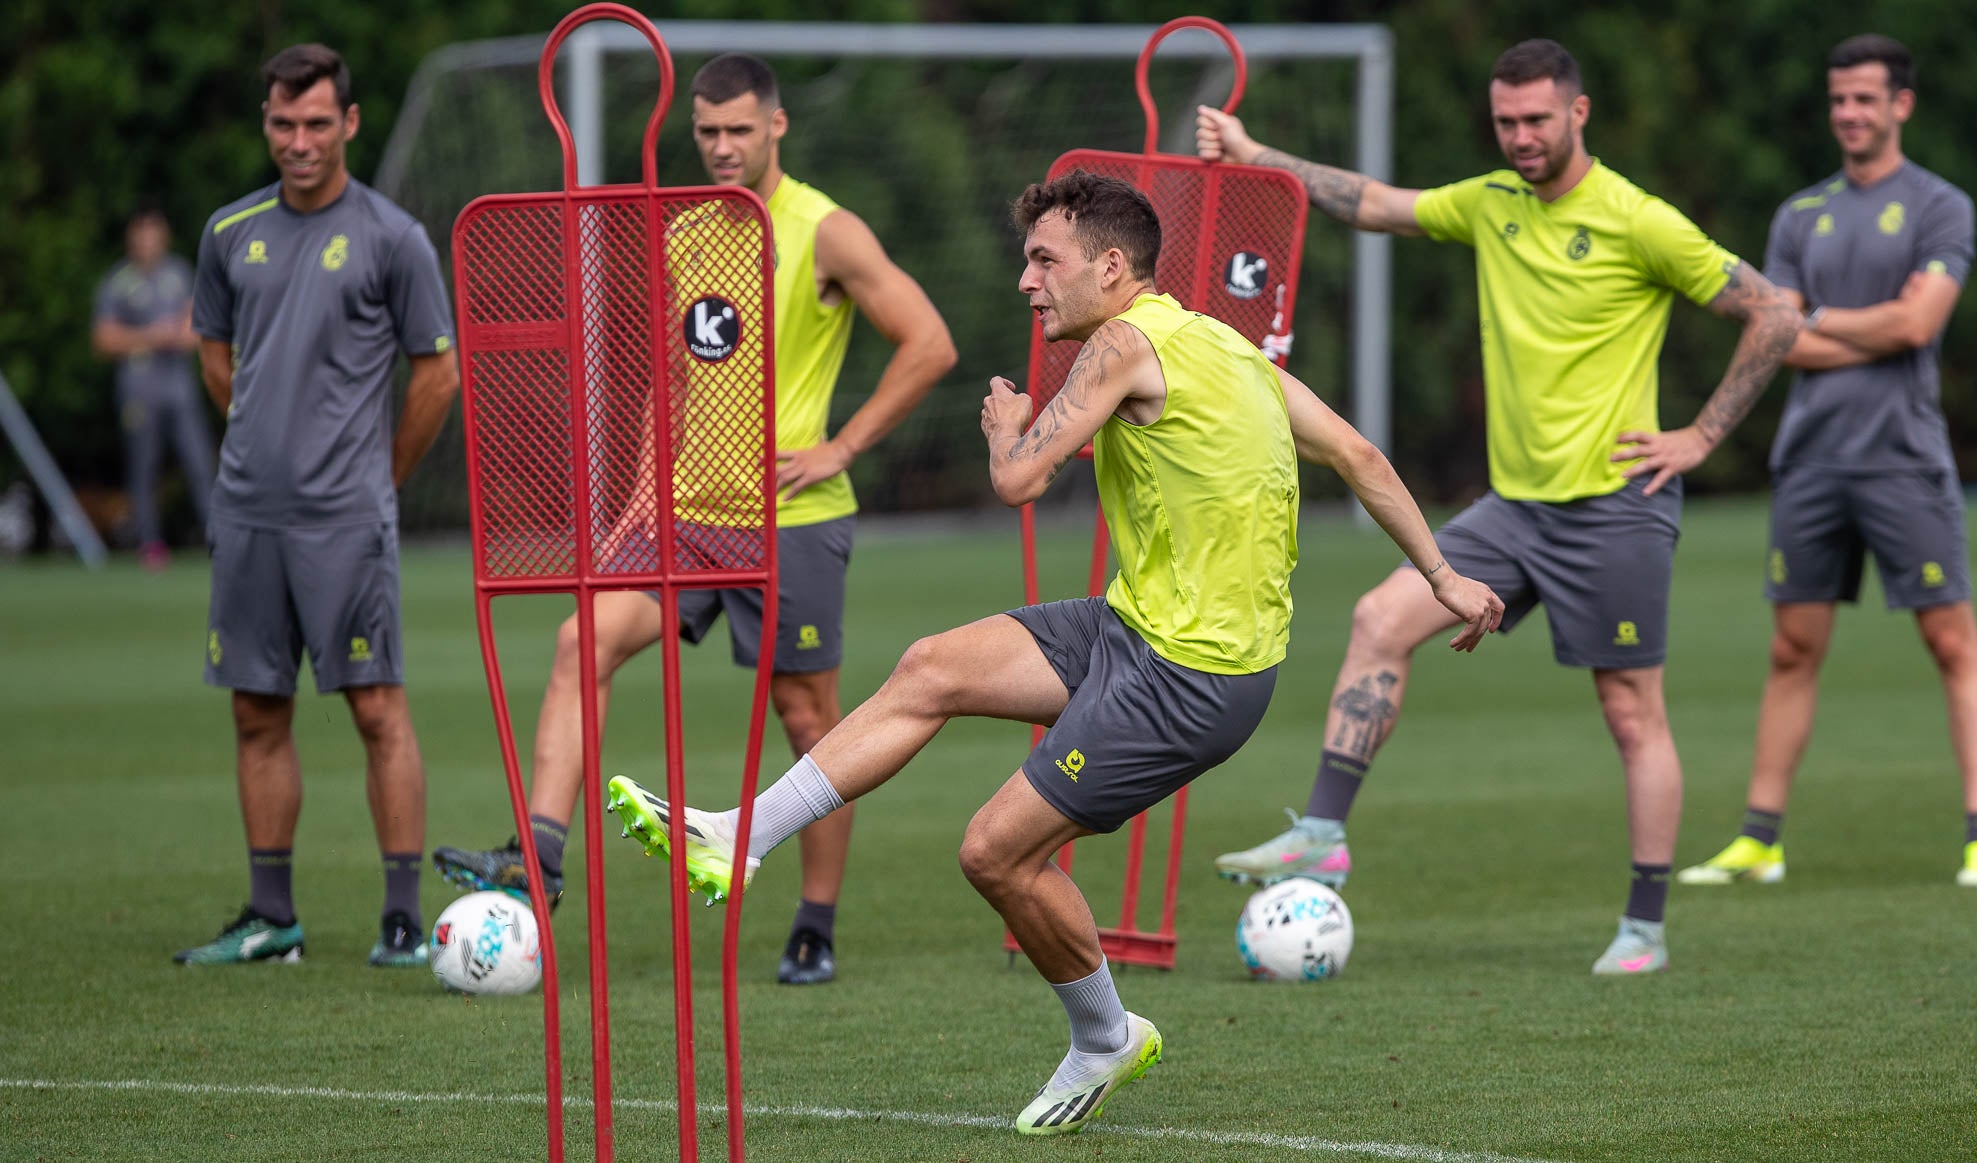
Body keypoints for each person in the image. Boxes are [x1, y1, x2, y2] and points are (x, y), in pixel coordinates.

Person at [606, 171, 1504, 1134]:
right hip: (1136, 629)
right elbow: (1361, 455)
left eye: (1046, 260)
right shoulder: (1224, 345)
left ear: (1111, 268)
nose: (1027, 282)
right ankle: (744, 836)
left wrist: (1004, 429)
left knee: (996, 853)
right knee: (930, 667)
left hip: (1192, 676)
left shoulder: (1121, 342)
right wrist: (1445, 575)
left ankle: (1107, 1036)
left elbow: (1019, 480)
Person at [1200, 38, 1802, 974]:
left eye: (1536, 120)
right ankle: (1322, 831)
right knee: (1378, 619)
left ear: (1579, 113)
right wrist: (1254, 157)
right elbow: (1373, 203)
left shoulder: (1640, 221)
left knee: (1631, 712)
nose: (1520, 137)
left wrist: (1699, 439)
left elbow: (1777, 312)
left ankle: (1643, 926)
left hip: (1615, 509)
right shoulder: (1491, 203)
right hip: (1512, 512)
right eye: (1506, 121)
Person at [431, 53, 957, 986]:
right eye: (707, 132)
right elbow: (673, 383)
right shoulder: (685, 233)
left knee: (809, 718)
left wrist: (840, 448)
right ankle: (537, 858)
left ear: (776, 129)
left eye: (737, 132)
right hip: (682, 515)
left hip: (791, 520)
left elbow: (930, 341)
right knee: (577, 640)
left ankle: (815, 922)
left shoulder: (824, 229)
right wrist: (640, 498)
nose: (720, 148)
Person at [1679, 35, 1977, 891]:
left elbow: (1916, 326)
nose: (1849, 115)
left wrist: (1813, 318)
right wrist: (1843, 324)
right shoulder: (1799, 215)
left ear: (1902, 104)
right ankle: (1760, 839)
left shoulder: (1941, 206)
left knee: (1950, 639)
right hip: (1811, 462)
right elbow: (1776, 340)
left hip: (1903, 460)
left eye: (1865, 99)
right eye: (1839, 101)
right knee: (1792, 648)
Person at [175, 44, 460, 966]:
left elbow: (438, 374)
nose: (298, 141)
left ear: (350, 124)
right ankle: (273, 919)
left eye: (316, 123)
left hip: (347, 519)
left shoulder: (392, 237)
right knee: (257, 711)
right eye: (282, 123)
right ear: (267, 123)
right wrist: (264, 436)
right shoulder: (228, 231)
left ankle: (402, 921)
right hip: (249, 512)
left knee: (377, 708)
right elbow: (217, 356)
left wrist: (378, 473)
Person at [92, 204, 212, 569]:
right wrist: (151, 335)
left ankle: (217, 538)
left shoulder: (178, 273)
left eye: (153, 232)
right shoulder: (118, 281)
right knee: (144, 467)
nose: (147, 240)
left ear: (164, 236)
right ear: (131, 238)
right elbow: (104, 339)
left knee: (200, 462)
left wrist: (177, 334)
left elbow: (197, 328)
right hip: (138, 389)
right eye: (140, 233)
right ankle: (150, 546)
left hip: (179, 386)